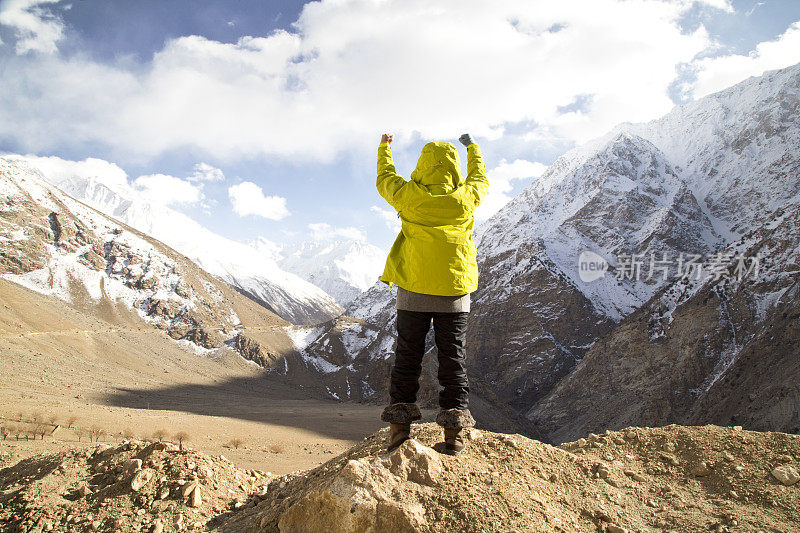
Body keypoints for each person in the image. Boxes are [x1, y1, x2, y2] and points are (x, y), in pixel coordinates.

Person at [375, 132, 489, 455]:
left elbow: (384, 179)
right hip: (454, 292)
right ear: (453, 169)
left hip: (412, 288)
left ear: (423, 166)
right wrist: (472, 148)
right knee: (453, 361)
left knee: (408, 357)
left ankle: (399, 433)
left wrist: (385, 148)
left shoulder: (410, 196)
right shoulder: (466, 197)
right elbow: (480, 177)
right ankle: (454, 437)